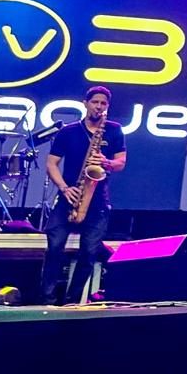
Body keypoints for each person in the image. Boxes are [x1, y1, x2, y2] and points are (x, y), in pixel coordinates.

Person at [39, 86, 127, 305]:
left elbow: (121, 163)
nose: (99, 106)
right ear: (85, 103)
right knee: (55, 246)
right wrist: (64, 188)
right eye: (95, 102)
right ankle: (47, 298)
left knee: (89, 252)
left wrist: (106, 162)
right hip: (70, 195)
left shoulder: (114, 130)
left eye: (103, 103)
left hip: (98, 200)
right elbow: (51, 164)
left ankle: (73, 299)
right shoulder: (68, 131)